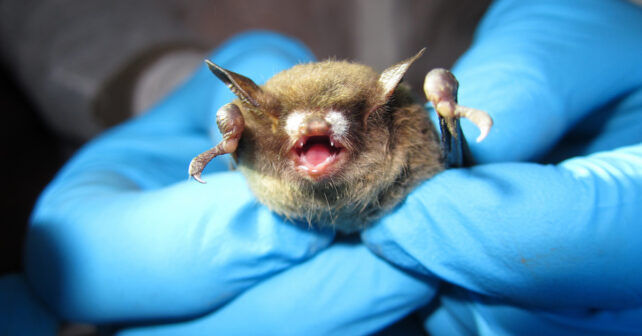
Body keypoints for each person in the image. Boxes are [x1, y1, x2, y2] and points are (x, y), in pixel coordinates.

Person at [3, 0, 642, 334]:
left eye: (323, 129)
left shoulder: (400, 119)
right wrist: (156, 81)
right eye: (293, 133)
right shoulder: (257, 132)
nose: (308, 136)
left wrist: (450, 105)